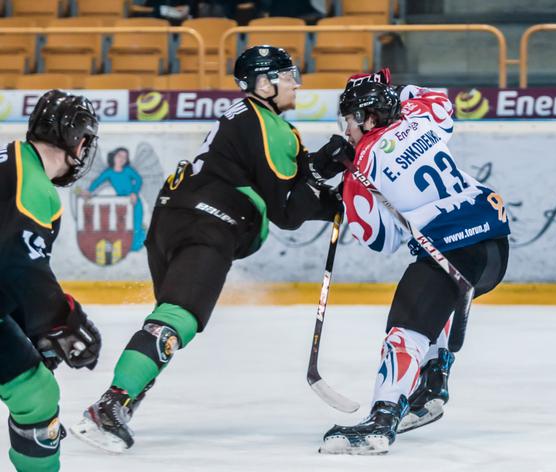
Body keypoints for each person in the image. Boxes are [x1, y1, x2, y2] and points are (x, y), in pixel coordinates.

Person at [70, 45, 353, 452]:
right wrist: (336, 200)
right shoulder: (269, 125)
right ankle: (110, 407)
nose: (297, 82)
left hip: (171, 219)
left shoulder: (244, 120)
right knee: (177, 318)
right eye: (288, 75)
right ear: (263, 84)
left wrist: (323, 171)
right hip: (210, 222)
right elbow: (287, 208)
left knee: (169, 321)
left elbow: (282, 177)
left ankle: (122, 403)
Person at [316, 73, 511, 455]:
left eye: (351, 121)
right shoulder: (419, 119)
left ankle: (382, 419)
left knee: (406, 329)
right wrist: (396, 93)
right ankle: (432, 382)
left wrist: (346, 187)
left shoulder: (363, 164)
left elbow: (382, 241)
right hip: (495, 245)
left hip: (452, 249)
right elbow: (441, 103)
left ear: (365, 117)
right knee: (435, 306)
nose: (349, 130)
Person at [0, 89, 102, 471]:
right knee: (36, 394)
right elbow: (16, 261)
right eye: (86, 139)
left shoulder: (12, 159)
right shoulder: (35, 188)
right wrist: (58, 320)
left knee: (36, 392)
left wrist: (33, 324)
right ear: (75, 139)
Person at [84, 147, 146, 251]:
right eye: (119, 156)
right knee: (120, 226)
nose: (122, 159)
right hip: (121, 203)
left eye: (124, 157)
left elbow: (138, 180)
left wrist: (134, 193)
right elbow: (98, 181)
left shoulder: (128, 170)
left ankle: (141, 235)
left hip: (134, 202)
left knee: (136, 231)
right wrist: (89, 191)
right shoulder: (109, 172)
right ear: (114, 157)